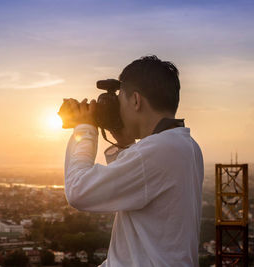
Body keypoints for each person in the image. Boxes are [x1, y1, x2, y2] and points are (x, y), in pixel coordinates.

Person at [59, 55, 203, 266]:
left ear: (135, 100)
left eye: (120, 100)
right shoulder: (187, 146)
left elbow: (78, 190)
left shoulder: (157, 150)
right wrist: (124, 141)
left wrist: (84, 128)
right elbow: (143, 183)